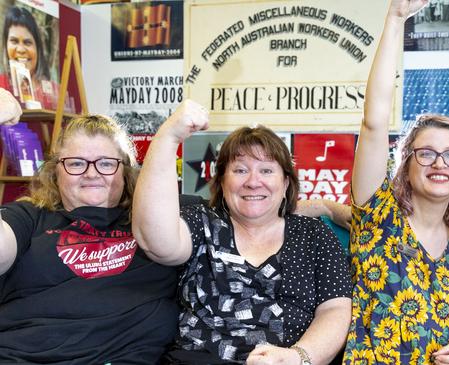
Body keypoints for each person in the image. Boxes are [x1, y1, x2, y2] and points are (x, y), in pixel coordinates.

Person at [132, 100, 353, 364]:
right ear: (222, 181)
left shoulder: (314, 235)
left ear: (285, 183)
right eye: (240, 170)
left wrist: (297, 358)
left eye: (267, 170)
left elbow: (335, 310)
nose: (252, 181)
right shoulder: (201, 222)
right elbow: (156, 242)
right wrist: (168, 137)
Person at [343, 1, 449, 364]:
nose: (439, 163)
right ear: (406, 165)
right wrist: (395, 21)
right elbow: (374, 121)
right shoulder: (376, 212)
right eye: (425, 153)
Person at [0, 115, 179, 364]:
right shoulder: (29, 217)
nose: (91, 174)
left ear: (126, 170)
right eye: (76, 163)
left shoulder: (156, 225)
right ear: (55, 171)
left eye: (106, 164)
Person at [1, 6, 58, 110]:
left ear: (38, 48)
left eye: (27, 42)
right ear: (5, 45)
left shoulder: (55, 92)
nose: (21, 49)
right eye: (14, 41)